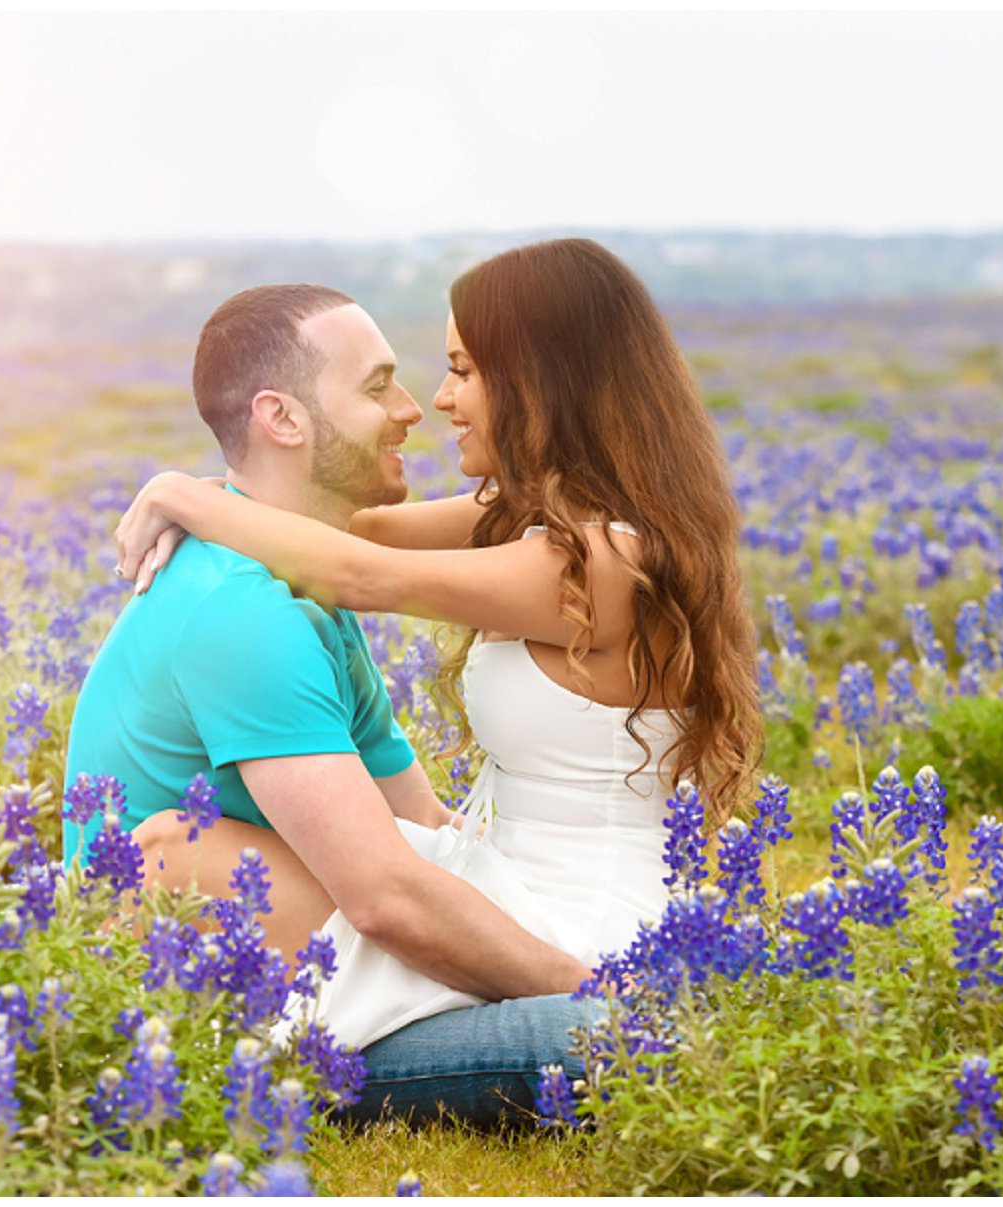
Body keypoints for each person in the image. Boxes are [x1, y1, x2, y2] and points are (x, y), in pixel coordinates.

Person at [115, 239, 765, 1066]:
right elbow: (342, 528)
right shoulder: (533, 515)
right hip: (498, 869)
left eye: (463, 370)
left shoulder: (605, 561)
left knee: (182, 865)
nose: (442, 399)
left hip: (574, 922)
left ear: (540, 381)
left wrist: (177, 491)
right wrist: (228, 500)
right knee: (197, 852)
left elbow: (358, 572)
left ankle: (351, 1053)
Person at [64, 282, 594, 1124]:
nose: (412, 407)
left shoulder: (299, 585)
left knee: (605, 980)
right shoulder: (242, 612)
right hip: (219, 1007)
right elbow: (388, 894)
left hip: (328, 954)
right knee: (605, 1031)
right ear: (284, 418)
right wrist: (592, 981)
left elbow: (422, 824)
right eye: (378, 385)